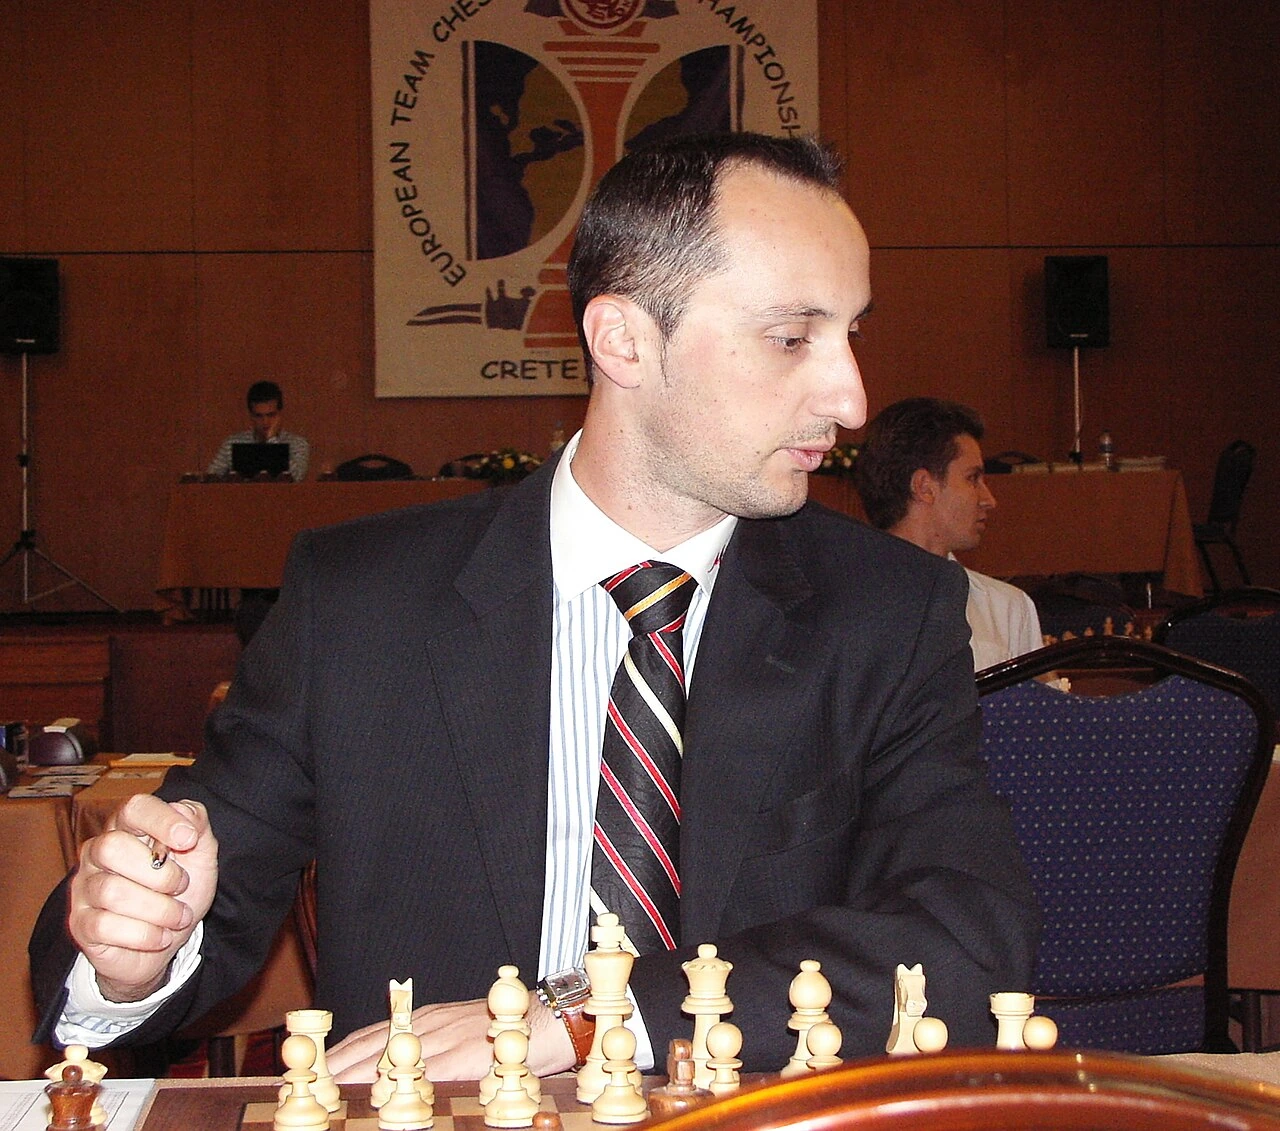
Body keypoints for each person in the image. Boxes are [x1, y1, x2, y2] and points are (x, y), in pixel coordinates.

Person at [31, 133, 1037, 1080]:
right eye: (789, 338)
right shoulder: (361, 606)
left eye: (850, 334)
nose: (852, 399)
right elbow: (200, 897)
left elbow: (964, 936)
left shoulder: (886, 610)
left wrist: (588, 1017)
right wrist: (132, 951)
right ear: (622, 339)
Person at [854, 398, 1045, 671]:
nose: (989, 499)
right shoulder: (845, 607)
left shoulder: (1007, 609)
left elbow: (1034, 710)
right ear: (924, 487)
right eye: (972, 478)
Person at [206, 380, 310, 481]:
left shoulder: (297, 444)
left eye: (271, 415)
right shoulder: (232, 443)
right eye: (259, 416)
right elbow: (211, 477)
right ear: (251, 416)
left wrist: (271, 440)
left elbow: (297, 476)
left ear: (280, 414)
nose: (265, 422)